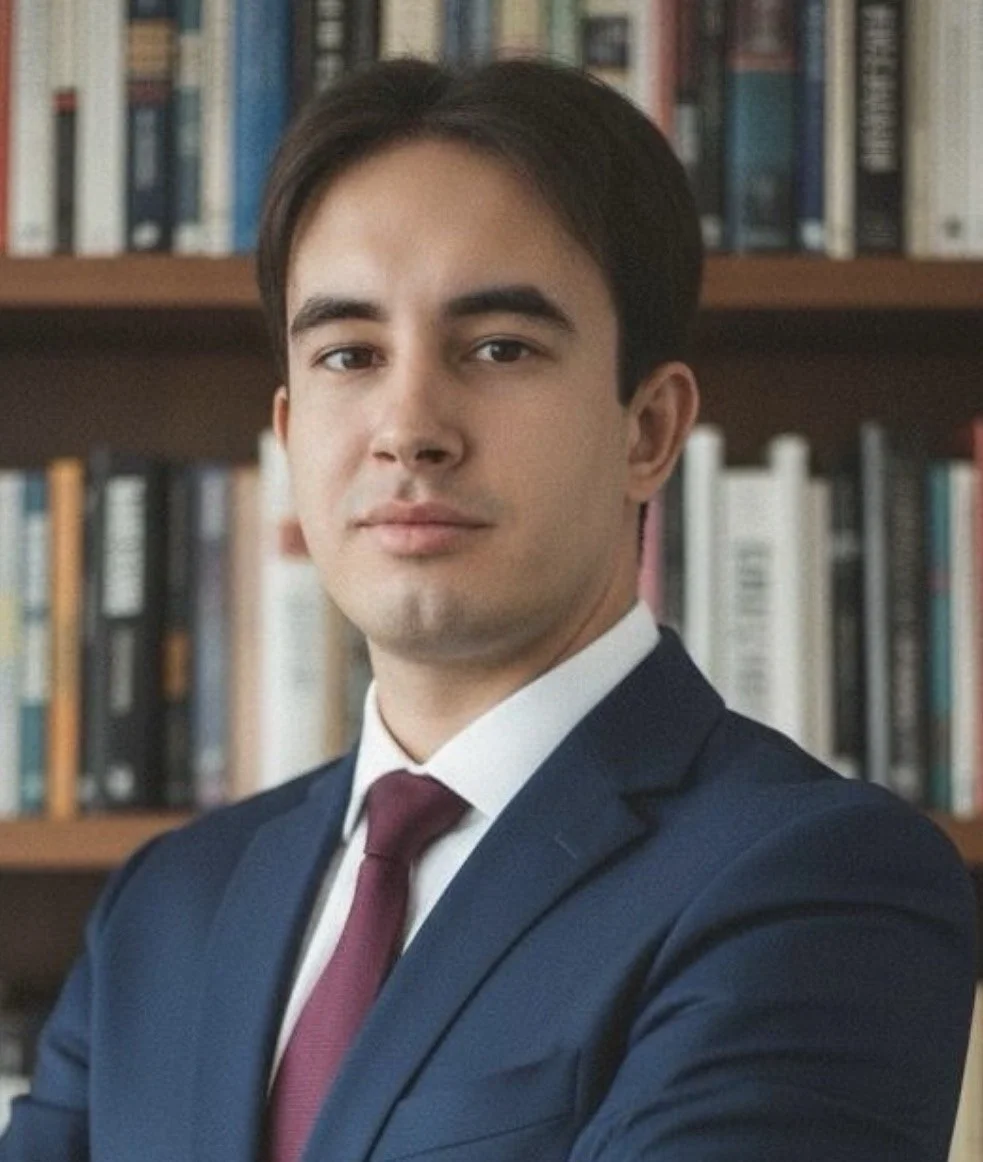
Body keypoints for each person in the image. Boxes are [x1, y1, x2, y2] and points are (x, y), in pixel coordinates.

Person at [1, 56, 976, 1162]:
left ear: (648, 430)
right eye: (348, 353)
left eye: (498, 347)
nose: (407, 424)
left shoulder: (819, 884)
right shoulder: (166, 907)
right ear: (286, 432)